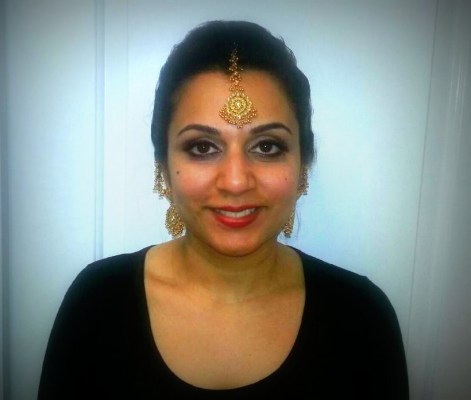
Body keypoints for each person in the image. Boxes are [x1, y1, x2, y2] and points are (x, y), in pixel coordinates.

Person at [38, 20, 409, 399]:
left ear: (303, 165)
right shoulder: (98, 303)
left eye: (267, 147)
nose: (235, 182)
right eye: (202, 147)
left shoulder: (361, 317)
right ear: (163, 166)